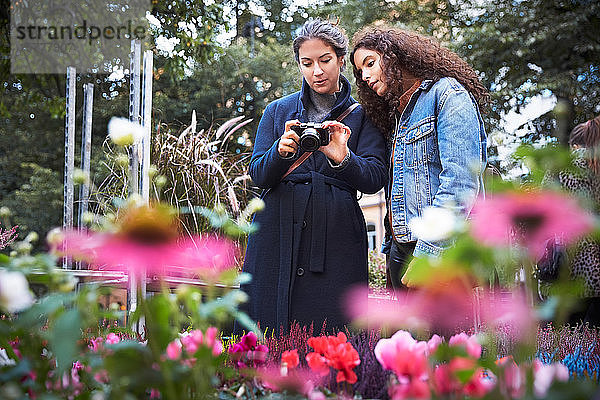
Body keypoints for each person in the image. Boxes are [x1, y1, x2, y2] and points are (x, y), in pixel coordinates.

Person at [239, 19, 387, 334]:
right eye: (307, 63)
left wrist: (345, 159)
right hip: (275, 233)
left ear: (341, 60)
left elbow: (375, 176)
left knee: (331, 331)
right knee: (267, 331)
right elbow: (258, 175)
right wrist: (280, 152)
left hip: (336, 237)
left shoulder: (363, 115)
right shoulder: (278, 112)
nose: (316, 71)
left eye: (324, 60)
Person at [350, 27, 488, 290]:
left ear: (395, 57)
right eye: (360, 72)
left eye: (370, 63)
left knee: (446, 333)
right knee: (404, 334)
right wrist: (391, 250)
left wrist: (429, 252)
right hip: (402, 253)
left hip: (440, 254)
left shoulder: (447, 94)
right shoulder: (398, 116)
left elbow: (460, 184)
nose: (365, 76)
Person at [558, 115, 600, 325]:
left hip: (575, 253)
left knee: (572, 327)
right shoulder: (596, 163)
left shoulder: (566, 164)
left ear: (575, 144)